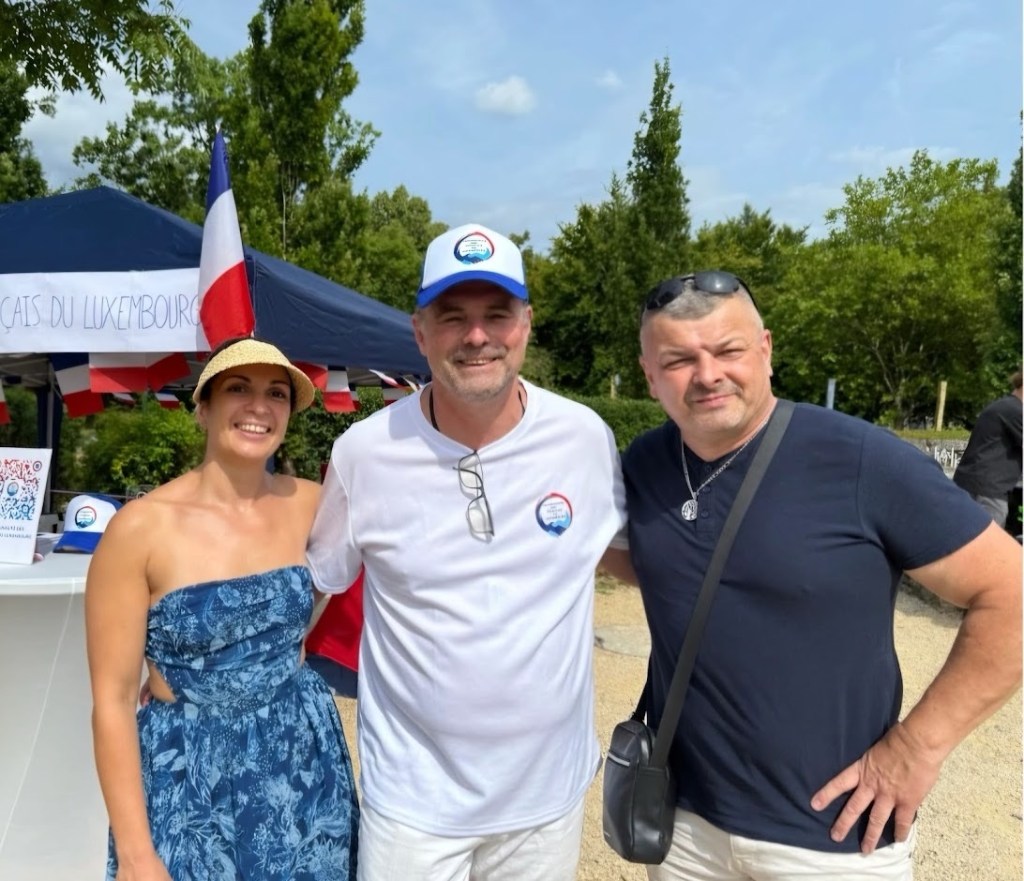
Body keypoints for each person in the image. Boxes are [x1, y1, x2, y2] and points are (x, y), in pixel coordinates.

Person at [620, 271, 1022, 881]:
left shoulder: (859, 459)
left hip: (830, 839)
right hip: (685, 832)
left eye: (728, 350)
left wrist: (917, 748)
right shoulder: (643, 465)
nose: (707, 375)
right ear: (650, 376)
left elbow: (1011, 592)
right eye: (678, 359)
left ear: (766, 351)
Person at [307, 223, 630, 881]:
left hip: (544, 802)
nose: (477, 335)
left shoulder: (583, 438)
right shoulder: (363, 453)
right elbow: (313, 587)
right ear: (420, 332)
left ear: (527, 324)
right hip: (412, 805)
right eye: (453, 318)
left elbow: (641, 562)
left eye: (497, 315)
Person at [85, 337, 359, 881]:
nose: (259, 406)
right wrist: (139, 856)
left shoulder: (314, 504)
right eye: (239, 388)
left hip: (303, 769)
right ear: (203, 408)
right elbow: (112, 702)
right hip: (188, 778)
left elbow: (347, 575)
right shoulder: (138, 528)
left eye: (276, 394)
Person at [953, 370, 1023, 531]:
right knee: (985, 544)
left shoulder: (1004, 406)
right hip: (987, 493)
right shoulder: (1015, 411)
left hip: (975, 487)